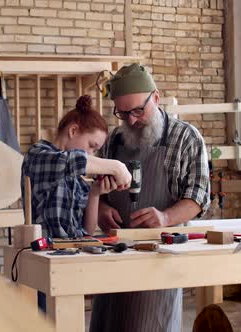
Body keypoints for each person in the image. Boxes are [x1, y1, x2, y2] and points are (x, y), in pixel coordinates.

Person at [89, 64, 211, 332]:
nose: (131, 120)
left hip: (158, 258)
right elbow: (99, 192)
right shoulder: (115, 140)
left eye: (137, 111)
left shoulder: (185, 139)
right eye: (122, 113)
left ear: (155, 98)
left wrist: (166, 217)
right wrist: (103, 209)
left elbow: (198, 198)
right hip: (115, 255)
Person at [21, 95, 131, 238]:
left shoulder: (77, 179)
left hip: (73, 251)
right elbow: (71, 161)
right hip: (46, 252)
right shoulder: (37, 155)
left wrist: (95, 192)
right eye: (91, 146)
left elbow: (87, 231)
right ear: (73, 131)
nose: (91, 154)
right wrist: (117, 167)